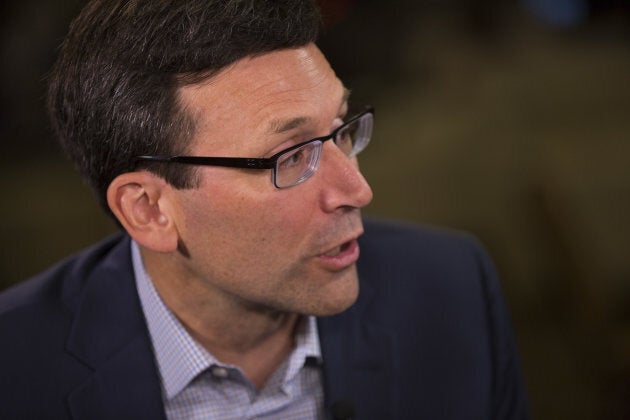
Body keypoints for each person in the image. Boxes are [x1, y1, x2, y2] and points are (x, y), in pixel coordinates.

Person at [0, 0, 529, 419]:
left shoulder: (452, 294)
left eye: (341, 131)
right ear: (150, 210)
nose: (356, 189)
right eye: (291, 155)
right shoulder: (17, 368)